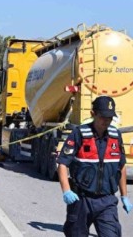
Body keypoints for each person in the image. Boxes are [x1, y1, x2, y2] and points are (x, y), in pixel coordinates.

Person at [57, 95, 133, 237]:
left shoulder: (115, 136)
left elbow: (121, 166)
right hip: (81, 199)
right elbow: (62, 163)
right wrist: (66, 191)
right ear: (93, 114)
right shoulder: (79, 133)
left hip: (107, 201)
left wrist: (124, 196)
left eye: (110, 118)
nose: (107, 121)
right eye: (103, 117)